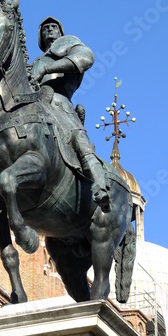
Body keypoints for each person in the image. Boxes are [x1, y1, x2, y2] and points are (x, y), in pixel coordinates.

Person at [31, 17, 110, 212]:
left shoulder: (70, 47)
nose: (49, 30)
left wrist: (48, 68)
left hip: (60, 103)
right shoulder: (33, 63)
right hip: (35, 106)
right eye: (45, 28)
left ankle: (100, 185)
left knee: (78, 138)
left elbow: (86, 58)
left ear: (61, 33)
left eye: (54, 27)